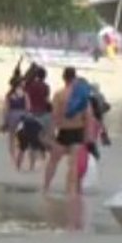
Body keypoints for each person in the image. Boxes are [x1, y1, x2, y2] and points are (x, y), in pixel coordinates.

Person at [44, 67, 89, 196]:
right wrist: (87, 134)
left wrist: (50, 133)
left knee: (53, 161)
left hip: (64, 131)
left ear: (64, 78)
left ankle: (46, 187)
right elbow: (87, 116)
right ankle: (71, 191)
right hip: (78, 130)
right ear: (74, 78)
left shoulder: (59, 94)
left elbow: (54, 115)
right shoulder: (81, 95)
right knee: (73, 164)